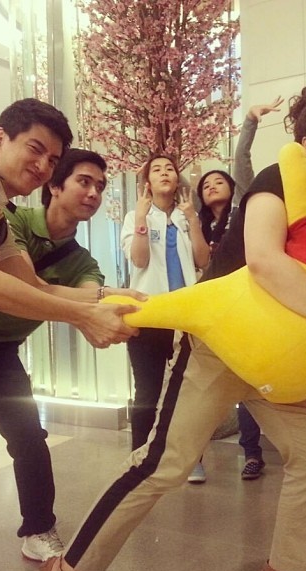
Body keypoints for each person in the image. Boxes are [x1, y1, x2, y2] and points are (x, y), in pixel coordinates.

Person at [43, 82, 306, 571]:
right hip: (219, 343)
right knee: (164, 463)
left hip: (279, 360)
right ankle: (68, 569)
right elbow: (264, 260)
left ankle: (290, 566)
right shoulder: (280, 178)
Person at [0, 147, 143, 562]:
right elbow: (22, 285)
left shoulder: (82, 262)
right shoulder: (10, 218)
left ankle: (39, 529)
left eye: (100, 186)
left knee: (29, 438)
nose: (93, 193)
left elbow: (83, 295)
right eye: (83, 181)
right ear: (54, 186)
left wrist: (106, 308)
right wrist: (91, 310)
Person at [162, 97, 284, 483]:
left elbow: (242, 162)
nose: (212, 185)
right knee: (201, 386)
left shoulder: (247, 208)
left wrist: (250, 121)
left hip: (250, 307)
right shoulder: (198, 225)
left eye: (219, 180)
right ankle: (190, 456)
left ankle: (252, 454)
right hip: (213, 311)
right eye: (206, 184)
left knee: (249, 381)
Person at [0, 98, 139, 348]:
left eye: (52, 161)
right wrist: (85, 316)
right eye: (35, 148)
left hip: (0, 348)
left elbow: (31, 285)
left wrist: (105, 295)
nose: (43, 166)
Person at [121, 154, 209, 452]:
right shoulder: (135, 216)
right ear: (147, 181)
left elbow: (202, 260)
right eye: (156, 170)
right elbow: (139, 260)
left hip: (186, 318)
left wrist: (193, 219)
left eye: (169, 168)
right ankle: (138, 457)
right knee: (147, 392)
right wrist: (141, 219)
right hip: (149, 315)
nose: (164, 173)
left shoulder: (187, 216)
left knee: (187, 394)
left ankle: (188, 459)